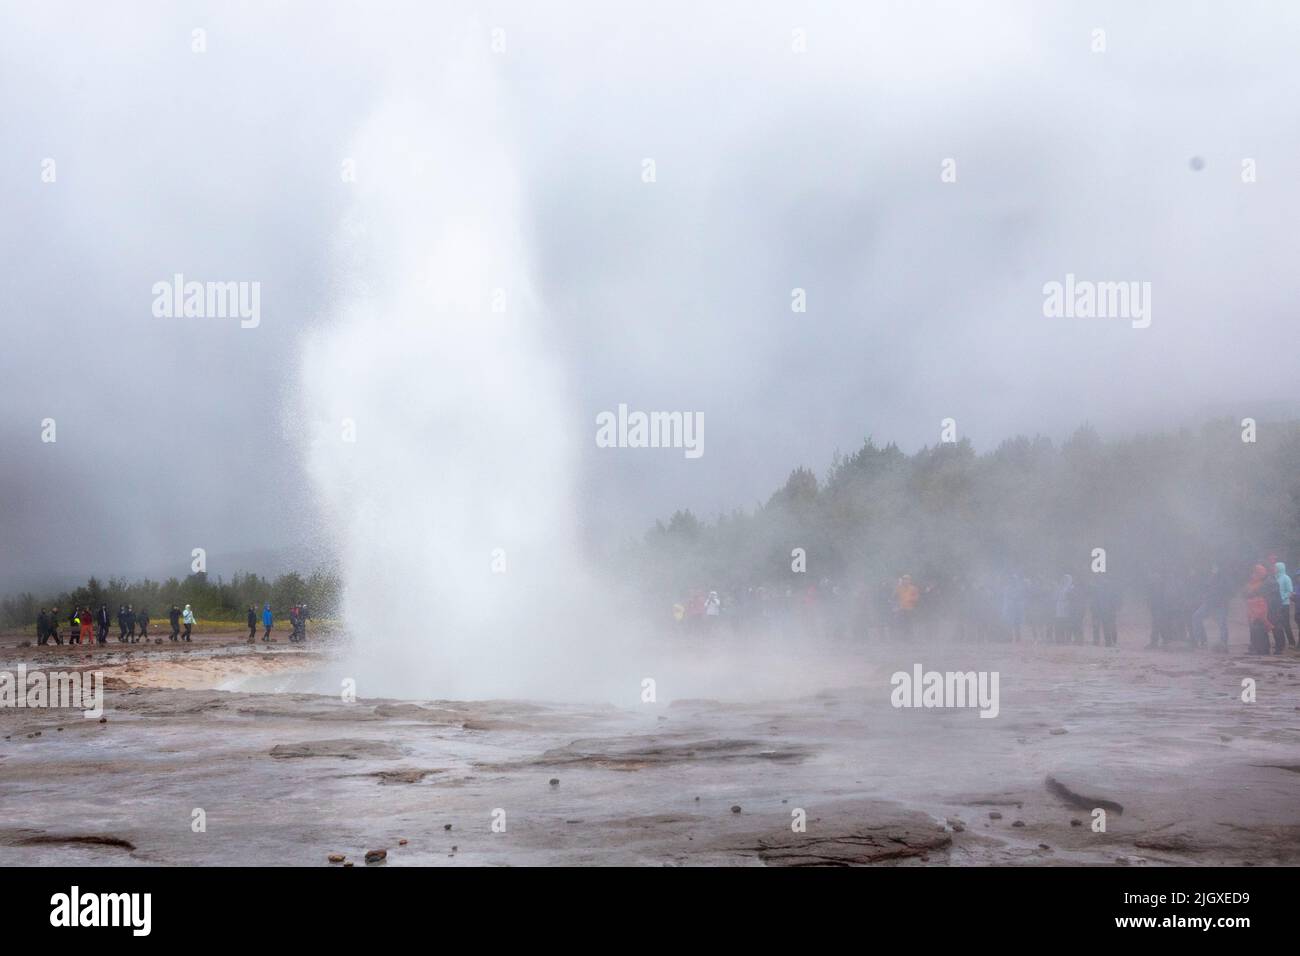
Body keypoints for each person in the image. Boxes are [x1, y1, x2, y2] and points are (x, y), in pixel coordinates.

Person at [1193, 563, 1232, 648]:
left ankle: (1223, 643)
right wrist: (1205, 596)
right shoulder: (1211, 577)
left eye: (1215, 567)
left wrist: (1221, 600)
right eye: (1213, 567)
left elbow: (1227, 591)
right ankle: (1198, 639)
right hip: (1208, 603)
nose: (1214, 569)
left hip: (1219, 604)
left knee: (1222, 624)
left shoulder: (1224, 578)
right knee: (1196, 617)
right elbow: (1206, 588)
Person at [1245, 564, 1275, 654]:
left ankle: (1263, 649)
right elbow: (1248, 593)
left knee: (1259, 629)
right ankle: (1258, 648)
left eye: (1255, 572)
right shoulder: (1256, 582)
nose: (1253, 575)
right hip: (1254, 608)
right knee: (1256, 629)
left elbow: (1261, 594)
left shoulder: (1264, 582)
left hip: (1259, 608)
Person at [1275, 562, 1295, 648]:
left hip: (1284, 604)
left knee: (1286, 624)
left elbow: (1290, 591)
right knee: (1278, 624)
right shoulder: (1275, 578)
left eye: (1276, 567)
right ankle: (1281, 642)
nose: (1274, 569)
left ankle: (1292, 642)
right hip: (1276, 604)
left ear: (1280, 568)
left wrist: (1282, 598)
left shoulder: (1286, 578)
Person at [894, 574, 919, 640]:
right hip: (901, 608)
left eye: (907, 579)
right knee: (902, 624)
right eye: (904, 579)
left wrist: (911, 600)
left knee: (910, 624)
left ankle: (910, 637)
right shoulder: (899, 588)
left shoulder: (913, 588)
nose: (905, 581)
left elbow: (916, 597)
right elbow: (895, 595)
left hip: (910, 609)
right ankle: (904, 637)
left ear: (910, 580)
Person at [1053, 574, 1076, 643]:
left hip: (1066, 606)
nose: (1064, 580)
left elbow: (1071, 597)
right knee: (1060, 624)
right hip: (1059, 606)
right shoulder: (1060, 587)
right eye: (1063, 579)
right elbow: (1056, 596)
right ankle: (1061, 639)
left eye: (1066, 579)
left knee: (1067, 624)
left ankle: (1068, 639)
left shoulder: (1071, 587)